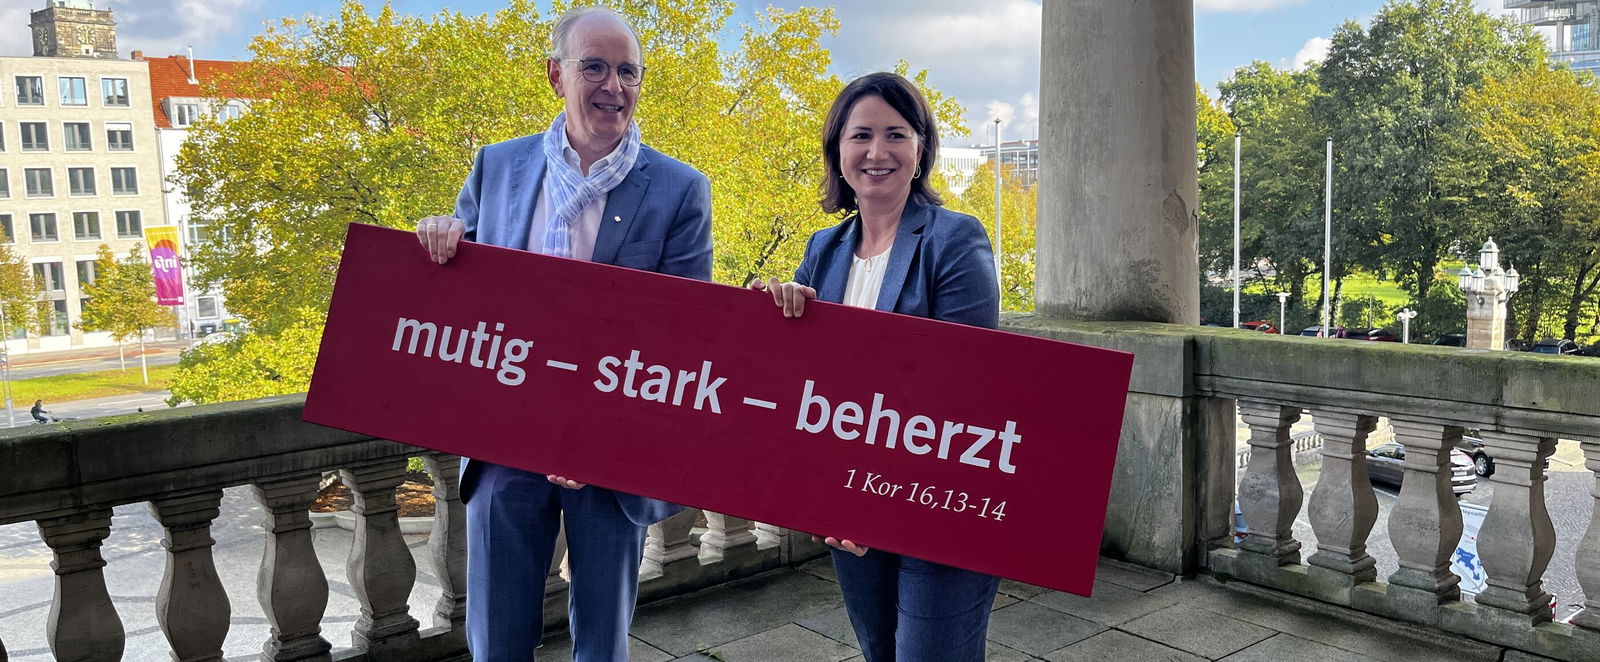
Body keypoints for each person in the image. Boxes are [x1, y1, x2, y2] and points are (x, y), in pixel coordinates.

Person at [414, 6, 712, 660]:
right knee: (496, 641)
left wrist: (598, 438)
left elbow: (684, 338)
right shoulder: (496, 167)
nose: (614, 85)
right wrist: (440, 231)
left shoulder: (681, 189)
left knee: (603, 645)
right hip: (502, 447)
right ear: (556, 75)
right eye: (594, 67)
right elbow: (458, 277)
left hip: (611, 459)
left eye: (628, 71)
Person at [751, 72, 1001, 661]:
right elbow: (804, 386)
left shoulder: (956, 240)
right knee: (880, 652)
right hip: (848, 501)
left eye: (896, 134)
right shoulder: (823, 249)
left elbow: (967, 393)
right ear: (838, 151)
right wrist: (774, 314)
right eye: (861, 135)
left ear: (921, 149)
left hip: (941, 504)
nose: (877, 151)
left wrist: (879, 505)